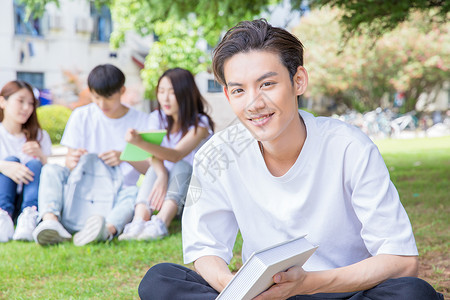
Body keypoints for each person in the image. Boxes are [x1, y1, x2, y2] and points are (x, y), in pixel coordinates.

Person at [138, 20, 444, 299]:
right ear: (229, 97)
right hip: (261, 293)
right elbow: (205, 248)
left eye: (267, 84)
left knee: (413, 294)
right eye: (239, 90)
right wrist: (236, 289)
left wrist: (308, 284)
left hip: (342, 290)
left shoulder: (349, 147)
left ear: (298, 81)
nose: (255, 103)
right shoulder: (217, 154)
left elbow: (402, 262)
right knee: (159, 280)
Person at [32, 64, 150, 246]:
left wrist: (124, 156)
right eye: (96, 97)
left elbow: (150, 170)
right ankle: (51, 222)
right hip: (80, 190)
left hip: (116, 193)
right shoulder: (81, 116)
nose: (102, 104)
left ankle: (105, 230)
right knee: (50, 170)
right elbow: (69, 164)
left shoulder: (141, 120)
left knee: (134, 192)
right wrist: (74, 160)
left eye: (109, 97)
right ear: (90, 93)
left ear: (122, 91)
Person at [118, 68, 214, 241]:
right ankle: (139, 221)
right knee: (155, 169)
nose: (165, 98)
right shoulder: (157, 117)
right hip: (166, 189)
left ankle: (161, 223)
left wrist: (140, 141)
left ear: (185, 94)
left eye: (172, 92)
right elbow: (152, 155)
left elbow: (176, 155)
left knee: (182, 165)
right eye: (161, 91)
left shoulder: (201, 124)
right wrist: (162, 174)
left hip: (193, 194)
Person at [0, 80, 52, 242]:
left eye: (31, 103)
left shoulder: (40, 137)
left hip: (28, 197)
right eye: (20, 101)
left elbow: (50, 176)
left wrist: (41, 156)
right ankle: (3, 217)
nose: (26, 108)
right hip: (3, 194)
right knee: (10, 160)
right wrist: (5, 166)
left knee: (35, 164)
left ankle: (29, 216)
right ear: (3, 101)